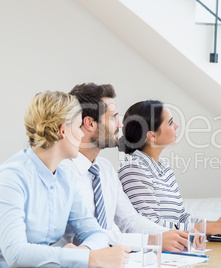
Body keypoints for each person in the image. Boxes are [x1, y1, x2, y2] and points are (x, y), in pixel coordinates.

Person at [0, 91, 130, 268]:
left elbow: (96, 232)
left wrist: (82, 252)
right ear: (63, 131)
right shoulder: (11, 178)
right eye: (78, 127)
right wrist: (86, 258)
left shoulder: (65, 177)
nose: (82, 135)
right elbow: (16, 254)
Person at [58, 83, 188, 252]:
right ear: (90, 123)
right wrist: (152, 240)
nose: (120, 125)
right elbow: (98, 234)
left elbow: (129, 220)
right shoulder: (62, 172)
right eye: (113, 117)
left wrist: (171, 236)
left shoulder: (105, 169)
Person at [118, 100, 221, 236]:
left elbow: (182, 217)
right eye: (170, 122)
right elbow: (151, 225)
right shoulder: (133, 169)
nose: (176, 126)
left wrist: (215, 224)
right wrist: (212, 228)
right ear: (152, 135)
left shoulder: (164, 168)